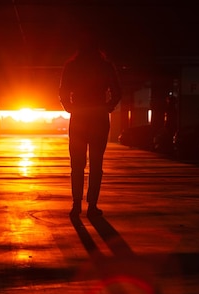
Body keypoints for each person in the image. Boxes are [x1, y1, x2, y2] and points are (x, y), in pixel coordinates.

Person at [59, 32, 122, 218]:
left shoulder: (71, 66)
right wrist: (107, 107)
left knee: (77, 164)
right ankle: (92, 206)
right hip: (98, 116)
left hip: (79, 116)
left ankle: (76, 205)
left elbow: (63, 91)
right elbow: (117, 92)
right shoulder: (105, 66)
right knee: (96, 163)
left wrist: (70, 108)